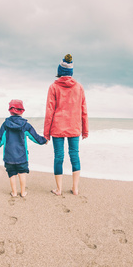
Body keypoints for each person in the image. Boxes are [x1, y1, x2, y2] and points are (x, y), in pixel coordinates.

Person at [44, 54, 88, 196]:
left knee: (59, 157)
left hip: (57, 127)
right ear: (71, 73)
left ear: (59, 72)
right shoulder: (79, 87)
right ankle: (75, 189)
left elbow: (49, 111)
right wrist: (85, 130)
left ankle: (59, 189)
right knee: (74, 156)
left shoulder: (53, 87)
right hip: (74, 127)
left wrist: (46, 133)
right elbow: (84, 110)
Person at [0, 99, 48, 197]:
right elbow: (35, 137)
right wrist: (44, 140)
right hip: (22, 157)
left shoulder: (5, 125)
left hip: (9, 157)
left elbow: (0, 139)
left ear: (10, 111)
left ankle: (14, 193)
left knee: (12, 174)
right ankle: (23, 192)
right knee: (22, 174)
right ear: (22, 111)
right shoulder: (26, 125)